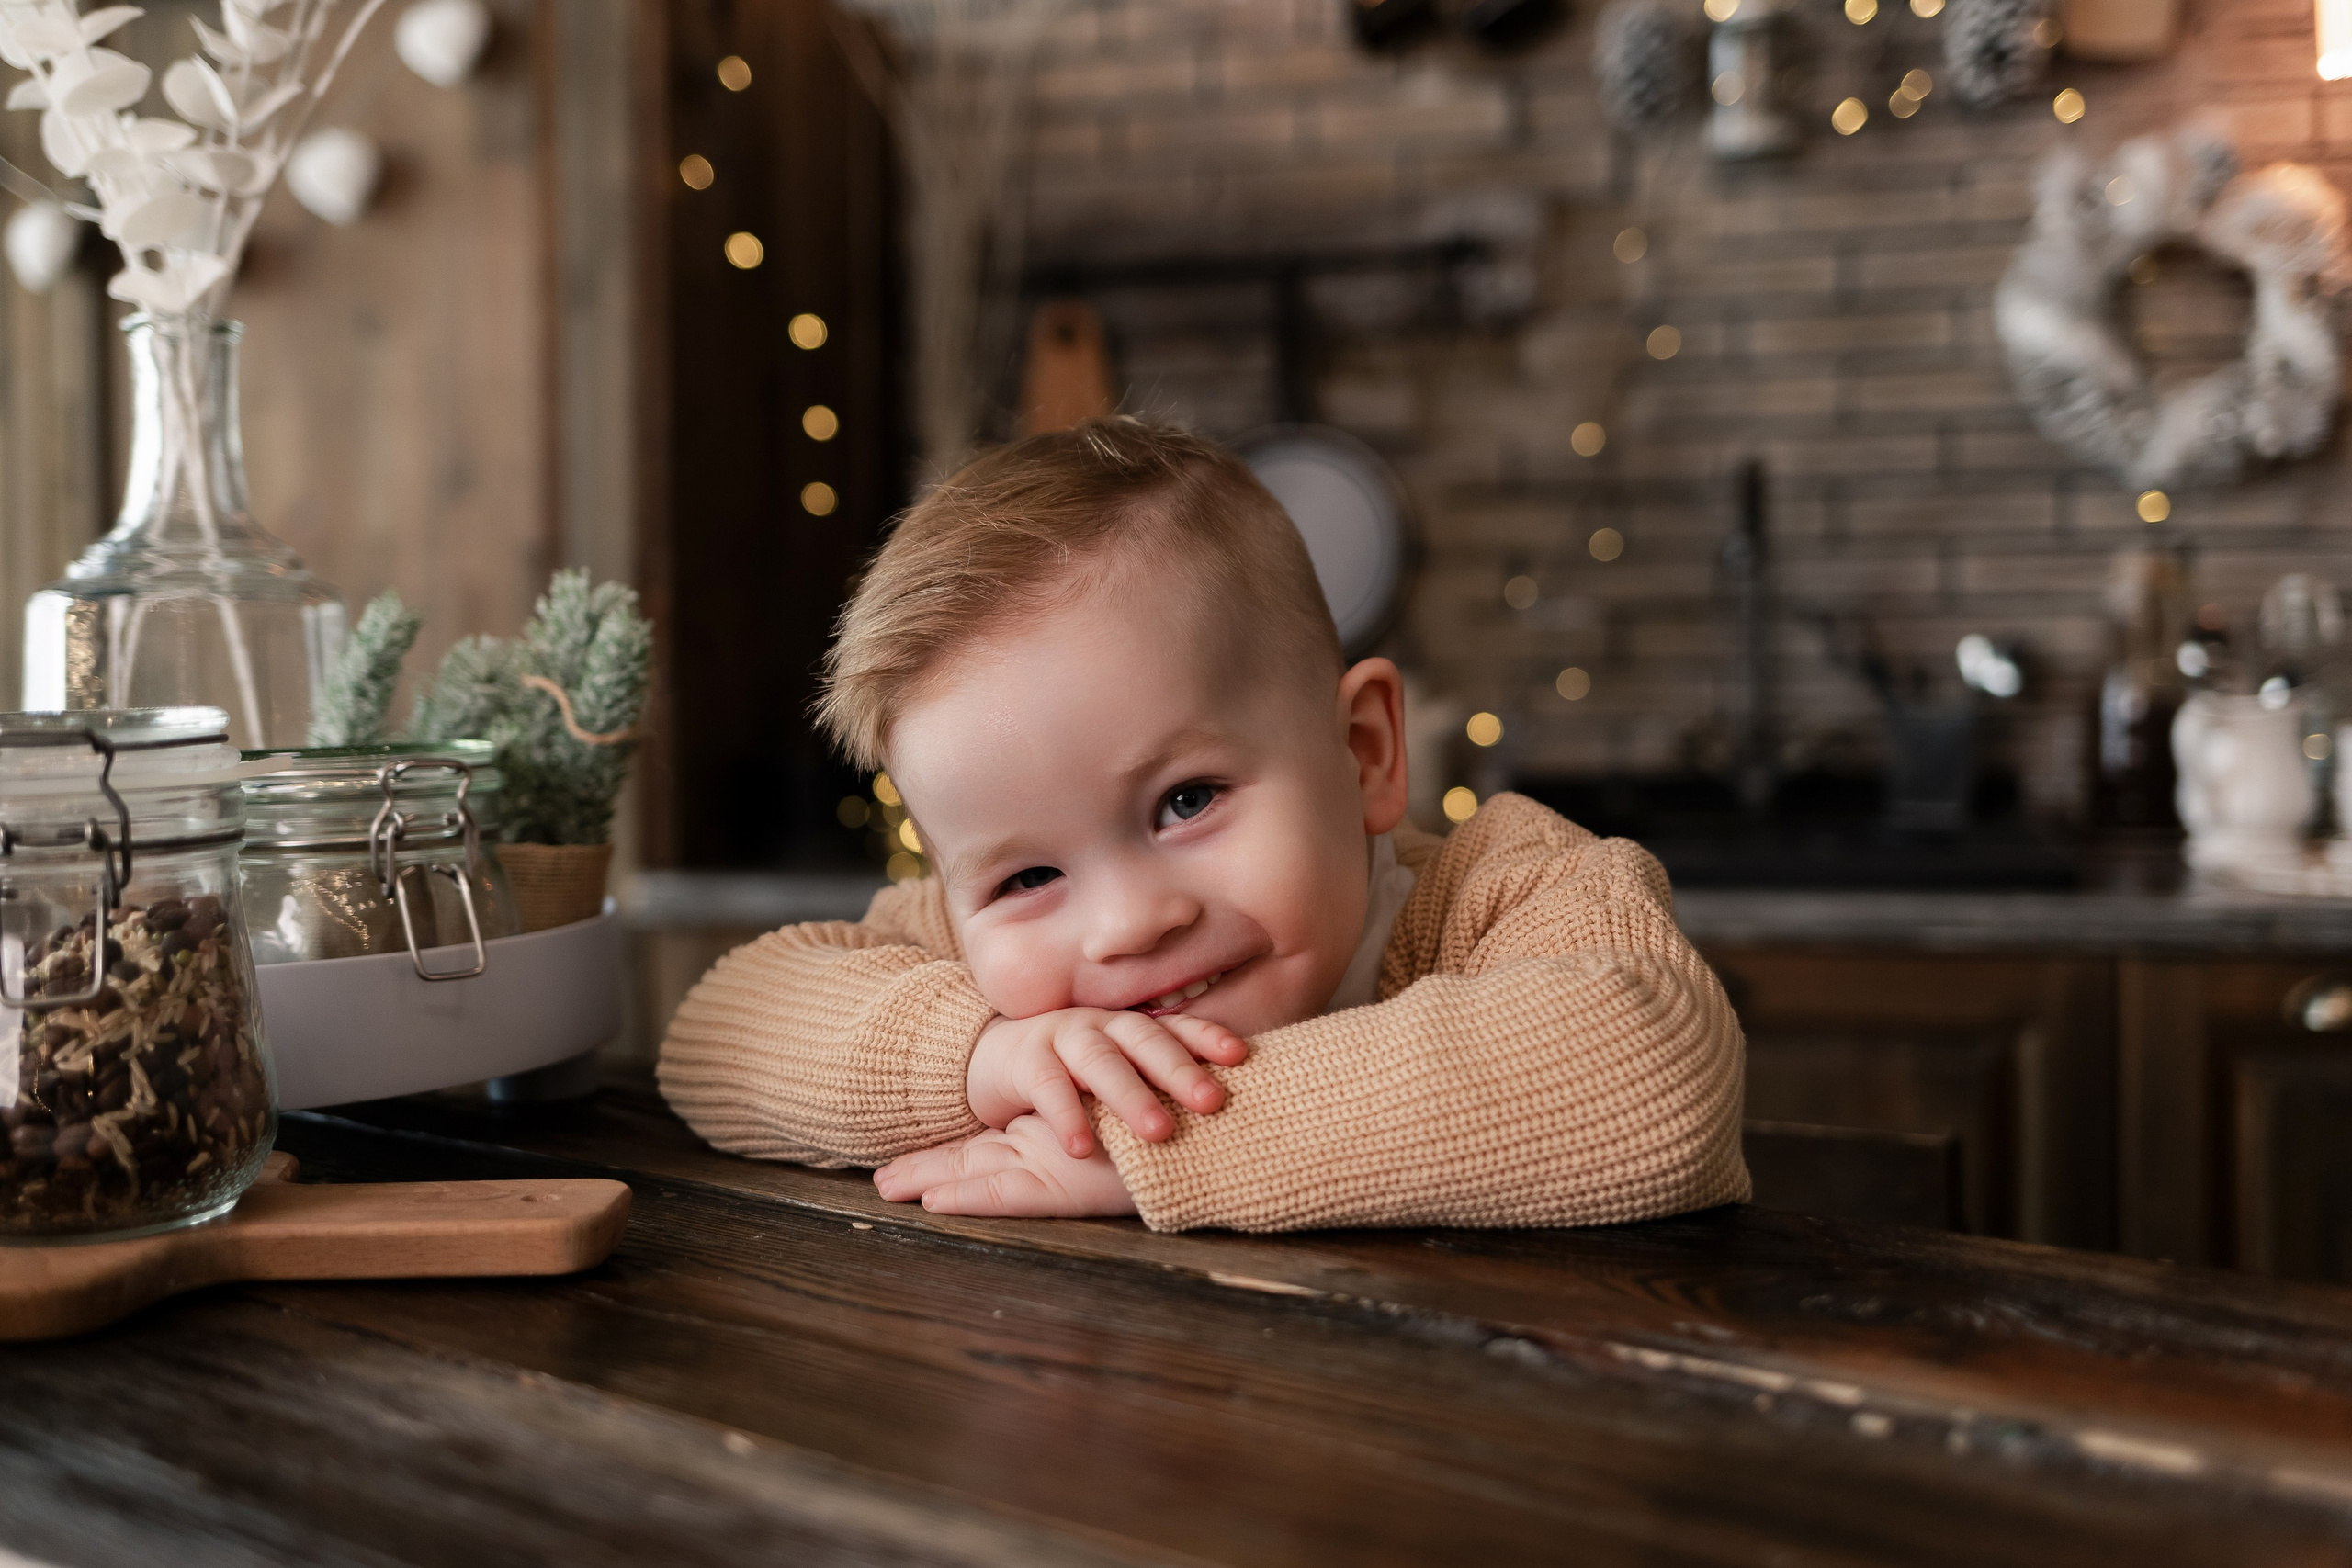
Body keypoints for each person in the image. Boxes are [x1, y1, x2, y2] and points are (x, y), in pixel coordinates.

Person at [657, 418, 1749, 1231]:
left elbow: (1654, 1077)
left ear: (1365, 751)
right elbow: (717, 1036)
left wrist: (1148, 1145)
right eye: (1027, 879)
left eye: (1186, 801)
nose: (1126, 924)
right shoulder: (986, 969)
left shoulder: (1500, 887)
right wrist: (981, 1057)